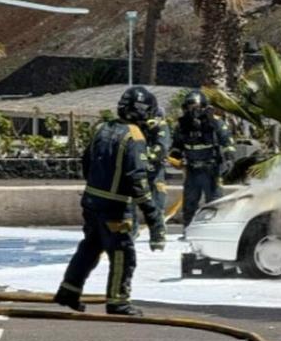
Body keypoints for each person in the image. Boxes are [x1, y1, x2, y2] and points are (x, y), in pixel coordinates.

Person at [54, 86, 166, 317]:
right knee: (123, 253)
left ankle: (68, 291)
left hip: (92, 200)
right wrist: (153, 216)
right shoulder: (134, 136)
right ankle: (118, 302)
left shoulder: (102, 128)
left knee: (90, 246)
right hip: (115, 206)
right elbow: (137, 180)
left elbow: (86, 162)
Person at [171, 90, 235, 229]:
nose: (192, 110)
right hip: (192, 170)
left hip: (211, 169)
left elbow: (227, 141)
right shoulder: (182, 125)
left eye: (196, 107)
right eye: (189, 107)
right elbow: (176, 145)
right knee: (189, 203)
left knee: (214, 202)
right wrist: (174, 157)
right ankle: (188, 230)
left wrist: (229, 159)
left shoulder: (215, 123)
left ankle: (214, 229)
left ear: (204, 106)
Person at [131, 106, 172, 250]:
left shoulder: (161, 128)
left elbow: (161, 147)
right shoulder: (134, 127)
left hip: (154, 173)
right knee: (129, 204)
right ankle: (130, 233)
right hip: (136, 172)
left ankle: (158, 238)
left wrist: (146, 155)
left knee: (156, 205)